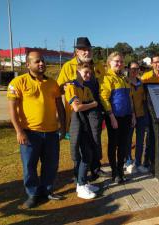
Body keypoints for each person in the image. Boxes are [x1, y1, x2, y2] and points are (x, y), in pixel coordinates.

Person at [7, 51, 66, 208]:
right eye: (37, 61)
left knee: (51, 164)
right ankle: (33, 194)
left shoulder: (53, 83)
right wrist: (19, 131)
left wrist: (63, 126)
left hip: (52, 132)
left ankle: (47, 190)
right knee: (29, 165)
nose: (41, 64)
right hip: (29, 133)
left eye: (43, 61)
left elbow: (60, 107)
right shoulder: (18, 82)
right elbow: (12, 110)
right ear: (28, 64)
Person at [57, 37, 108, 181]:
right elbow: (58, 88)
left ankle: (95, 168)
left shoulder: (98, 65)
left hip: (95, 109)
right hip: (76, 111)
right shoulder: (68, 66)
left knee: (95, 139)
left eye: (89, 49)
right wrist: (67, 86)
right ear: (77, 51)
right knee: (77, 141)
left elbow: (104, 86)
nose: (87, 52)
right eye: (83, 50)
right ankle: (78, 173)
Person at [65, 62, 100, 199]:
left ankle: (83, 182)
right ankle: (80, 185)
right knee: (83, 155)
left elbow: (85, 105)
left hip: (86, 126)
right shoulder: (71, 87)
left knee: (88, 153)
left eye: (90, 73)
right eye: (85, 72)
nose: (88, 75)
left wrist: (89, 104)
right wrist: (93, 104)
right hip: (76, 126)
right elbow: (76, 107)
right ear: (77, 71)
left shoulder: (86, 89)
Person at [100, 52, 136, 183]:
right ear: (109, 62)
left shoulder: (124, 79)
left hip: (126, 116)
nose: (119, 64)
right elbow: (104, 98)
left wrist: (133, 114)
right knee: (113, 145)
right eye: (116, 61)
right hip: (114, 118)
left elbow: (130, 98)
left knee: (123, 145)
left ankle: (120, 171)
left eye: (121, 61)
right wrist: (111, 116)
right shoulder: (107, 78)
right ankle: (114, 172)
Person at [125, 62, 149, 174]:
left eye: (137, 69)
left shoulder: (141, 83)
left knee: (140, 140)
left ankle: (138, 163)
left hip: (141, 116)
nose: (135, 71)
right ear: (128, 69)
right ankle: (129, 162)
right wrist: (132, 115)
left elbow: (144, 100)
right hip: (129, 116)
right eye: (132, 68)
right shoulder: (124, 82)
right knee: (128, 140)